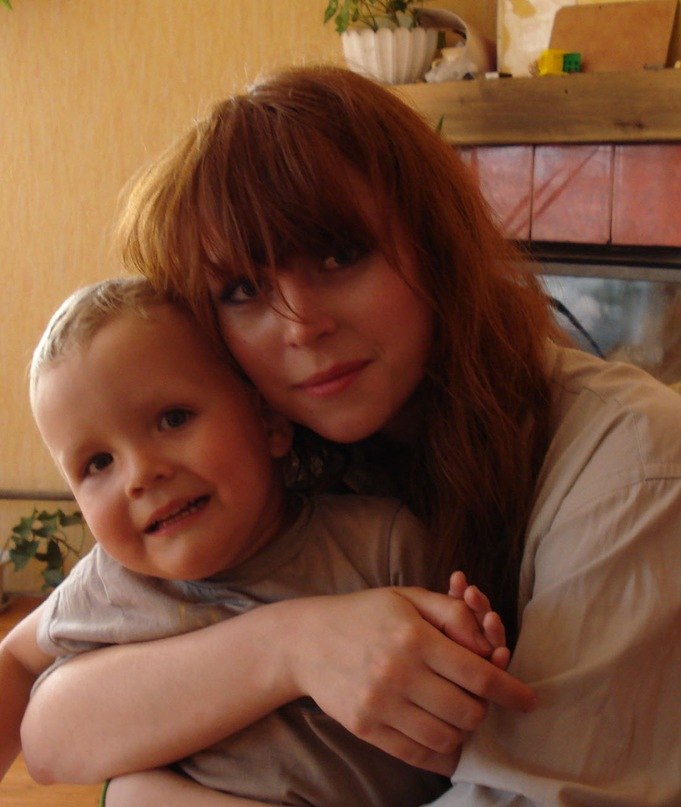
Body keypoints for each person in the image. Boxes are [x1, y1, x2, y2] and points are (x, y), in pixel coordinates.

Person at [20, 66, 681, 806]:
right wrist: (289, 644)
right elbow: (37, 694)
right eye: (242, 290)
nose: (301, 325)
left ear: (434, 242)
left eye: (338, 255)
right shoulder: (275, 466)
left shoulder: (634, 466)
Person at [0, 276, 509, 806]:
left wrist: (470, 654)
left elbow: (474, 734)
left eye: (173, 419)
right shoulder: (109, 584)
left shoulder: (380, 544)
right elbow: (16, 662)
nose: (140, 475)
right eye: (97, 463)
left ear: (268, 422)